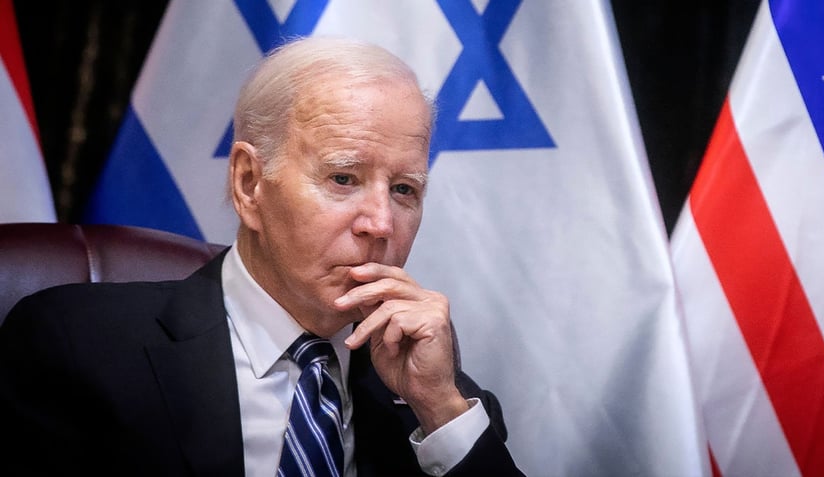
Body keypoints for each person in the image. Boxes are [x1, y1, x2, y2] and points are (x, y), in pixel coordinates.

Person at [0, 37, 523, 476]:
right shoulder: (77, 345)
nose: (381, 224)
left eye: (405, 190)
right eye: (343, 178)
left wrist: (441, 409)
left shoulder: (437, 401)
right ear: (250, 183)